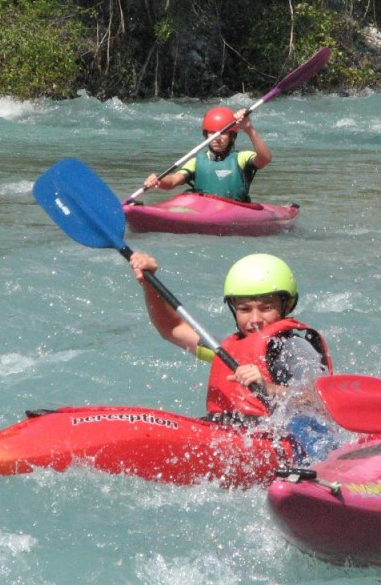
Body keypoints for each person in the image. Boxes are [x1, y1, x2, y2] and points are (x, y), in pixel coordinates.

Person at [128, 250, 337, 461]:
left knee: (304, 425)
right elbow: (171, 328)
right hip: (236, 436)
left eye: (266, 308)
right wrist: (149, 283)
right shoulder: (227, 349)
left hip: (290, 440)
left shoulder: (294, 348)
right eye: (245, 309)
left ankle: (319, 476)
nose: (255, 319)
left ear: (285, 306)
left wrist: (268, 387)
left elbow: (321, 399)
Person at [141, 106, 271, 201]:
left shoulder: (241, 158)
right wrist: (158, 180)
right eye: (212, 133)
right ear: (206, 134)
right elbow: (173, 181)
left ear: (232, 136)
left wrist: (249, 128)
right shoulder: (197, 161)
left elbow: (265, 159)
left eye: (223, 133)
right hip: (203, 209)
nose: (217, 138)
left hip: (235, 209)